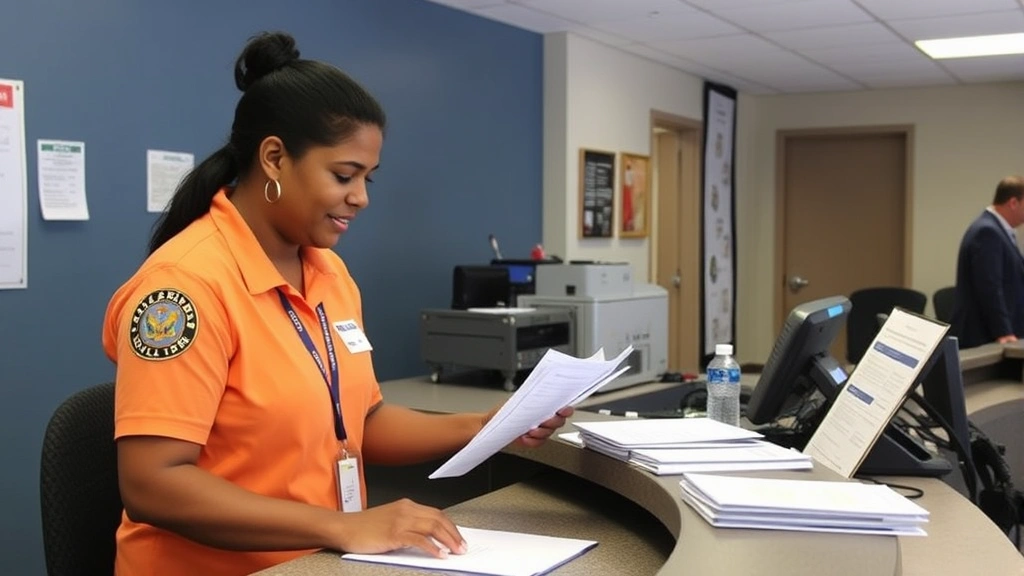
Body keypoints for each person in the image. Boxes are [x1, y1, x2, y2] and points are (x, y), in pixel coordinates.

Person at [101, 31, 572, 576]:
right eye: (344, 176)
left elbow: (360, 422)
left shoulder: (328, 273)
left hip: (320, 561)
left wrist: (489, 424)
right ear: (275, 158)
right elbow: (152, 483)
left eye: (368, 178)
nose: (362, 197)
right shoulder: (184, 288)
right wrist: (342, 525)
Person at [950, 176, 1024, 348]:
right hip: (985, 337)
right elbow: (989, 287)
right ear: (1013, 203)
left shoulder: (1001, 231)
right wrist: (1003, 331)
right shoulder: (987, 231)